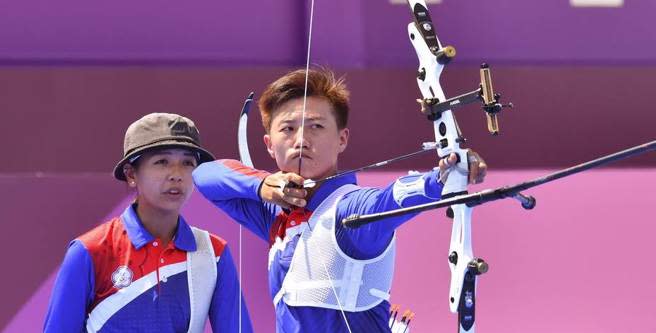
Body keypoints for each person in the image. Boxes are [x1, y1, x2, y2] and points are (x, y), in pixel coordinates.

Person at [192, 68, 487, 332]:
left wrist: (445, 176)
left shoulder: (351, 209)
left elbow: (392, 198)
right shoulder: (275, 214)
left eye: (316, 127)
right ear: (269, 144)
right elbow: (205, 175)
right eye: (288, 129)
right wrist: (262, 185)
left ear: (342, 139)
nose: (301, 140)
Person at [44, 113, 253, 333]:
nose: (176, 175)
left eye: (187, 163)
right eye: (162, 162)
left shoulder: (214, 253)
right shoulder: (89, 251)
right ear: (131, 174)